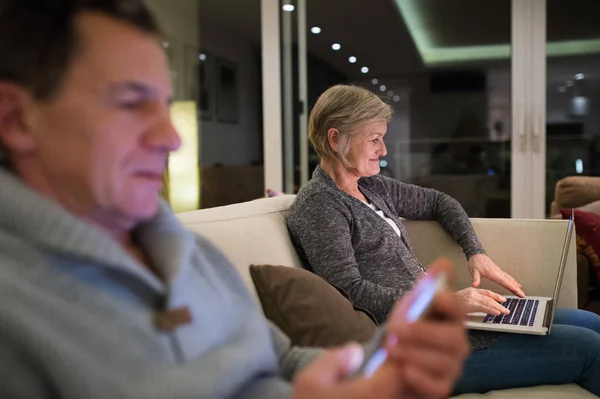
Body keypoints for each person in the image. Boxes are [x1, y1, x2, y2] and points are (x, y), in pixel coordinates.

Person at [0, 1, 471, 398]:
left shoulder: (188, 253)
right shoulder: (17, 314)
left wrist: (387, 360)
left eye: (164, 105)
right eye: (128, 102)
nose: (171, 139)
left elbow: (284, 359)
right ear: (18, 119)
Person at [286, 84, 600, 396]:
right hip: (420, 350)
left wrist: (475, 251)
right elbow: (348, 291)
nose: (383, 151)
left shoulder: (372, 186)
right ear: (335, 138)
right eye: (374, 139)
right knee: (590, 348)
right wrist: (442, 303)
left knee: (589, 321)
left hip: (448, 323)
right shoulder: (320, 205)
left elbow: (440, 202)